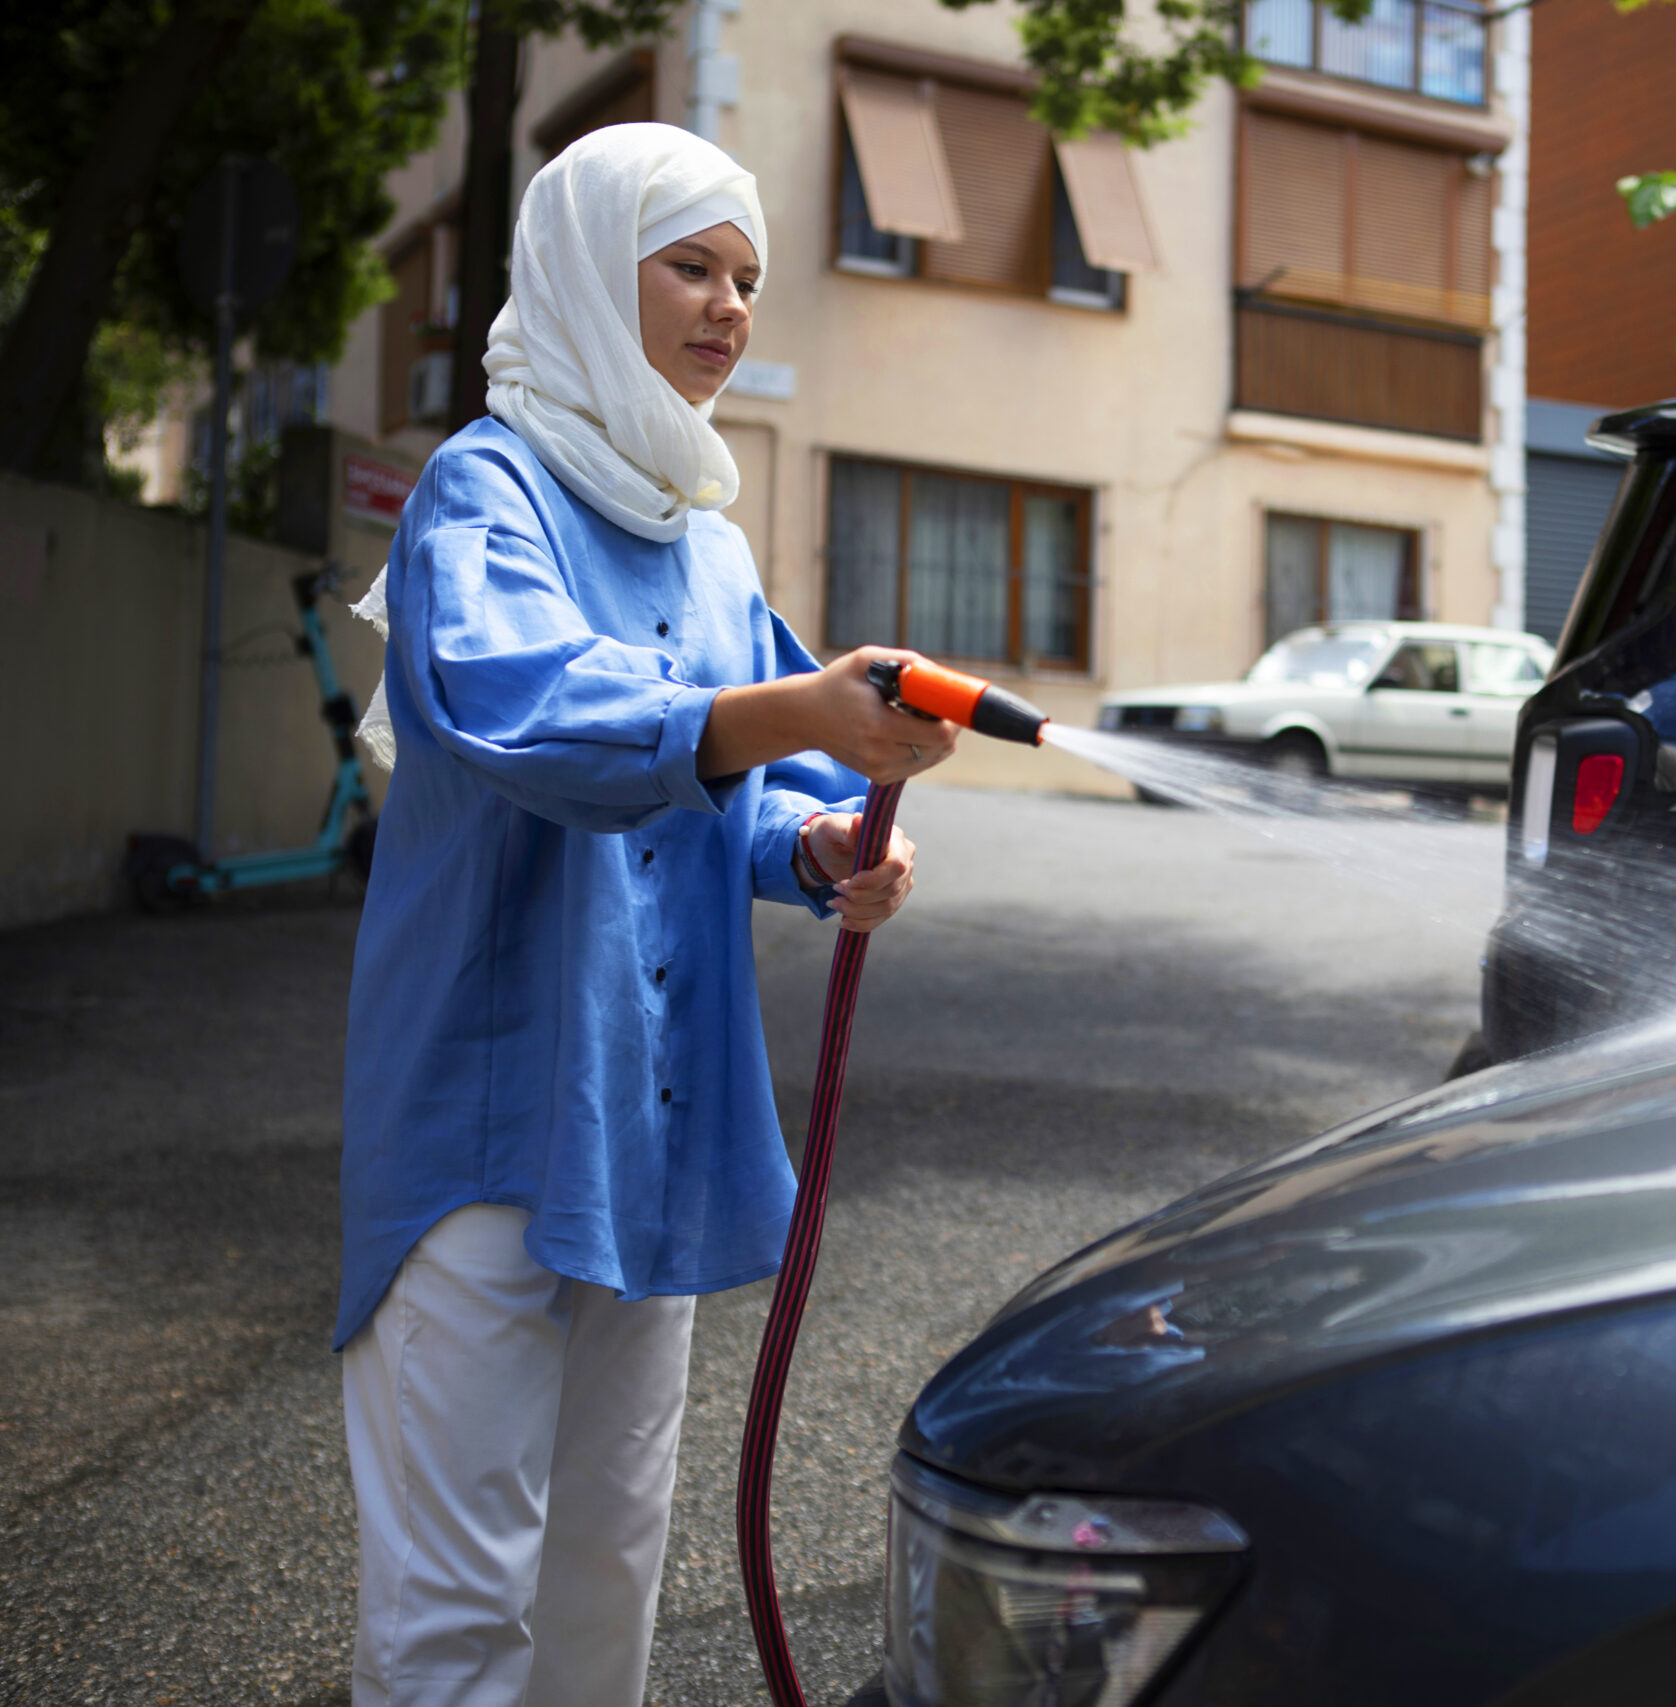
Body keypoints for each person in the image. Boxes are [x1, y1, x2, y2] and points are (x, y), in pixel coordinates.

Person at [333, 123, 958, 1707]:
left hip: (646, 1123)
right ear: (579, 267)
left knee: (609, 1570)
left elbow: (731, 782)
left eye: (747, 276)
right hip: (485, 1121)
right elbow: (531, 705)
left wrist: (819, 846)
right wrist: (787, 719)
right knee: (460, 1606)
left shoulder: (705, 529)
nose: (730, 304)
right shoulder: (486, 488)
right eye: (690, 262)